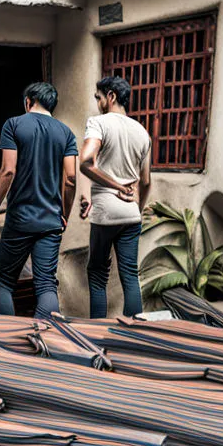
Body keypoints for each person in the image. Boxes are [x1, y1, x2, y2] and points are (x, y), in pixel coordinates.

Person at [0, 81, 78, 320]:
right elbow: (71, 178)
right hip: (51, 221)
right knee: (46, 285)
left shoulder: (14, 124)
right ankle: (46, 340)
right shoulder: (66, 133)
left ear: (28, 101)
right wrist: (64, 214)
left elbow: (7, 171)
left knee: (5, 281)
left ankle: (9, 341)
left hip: (20, 218)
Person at [79, 75, 152, 318]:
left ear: (110, 96)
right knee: (130, 275)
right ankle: (134, 335)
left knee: (98, 274)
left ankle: (97, 337)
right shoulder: (142, 131)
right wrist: (137, 209)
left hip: (105, 212)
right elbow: (146, 181)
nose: (97, 102)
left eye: (98, 97)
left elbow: (86, 162)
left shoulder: (98, 123)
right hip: (131, 214)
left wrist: (115, 186)